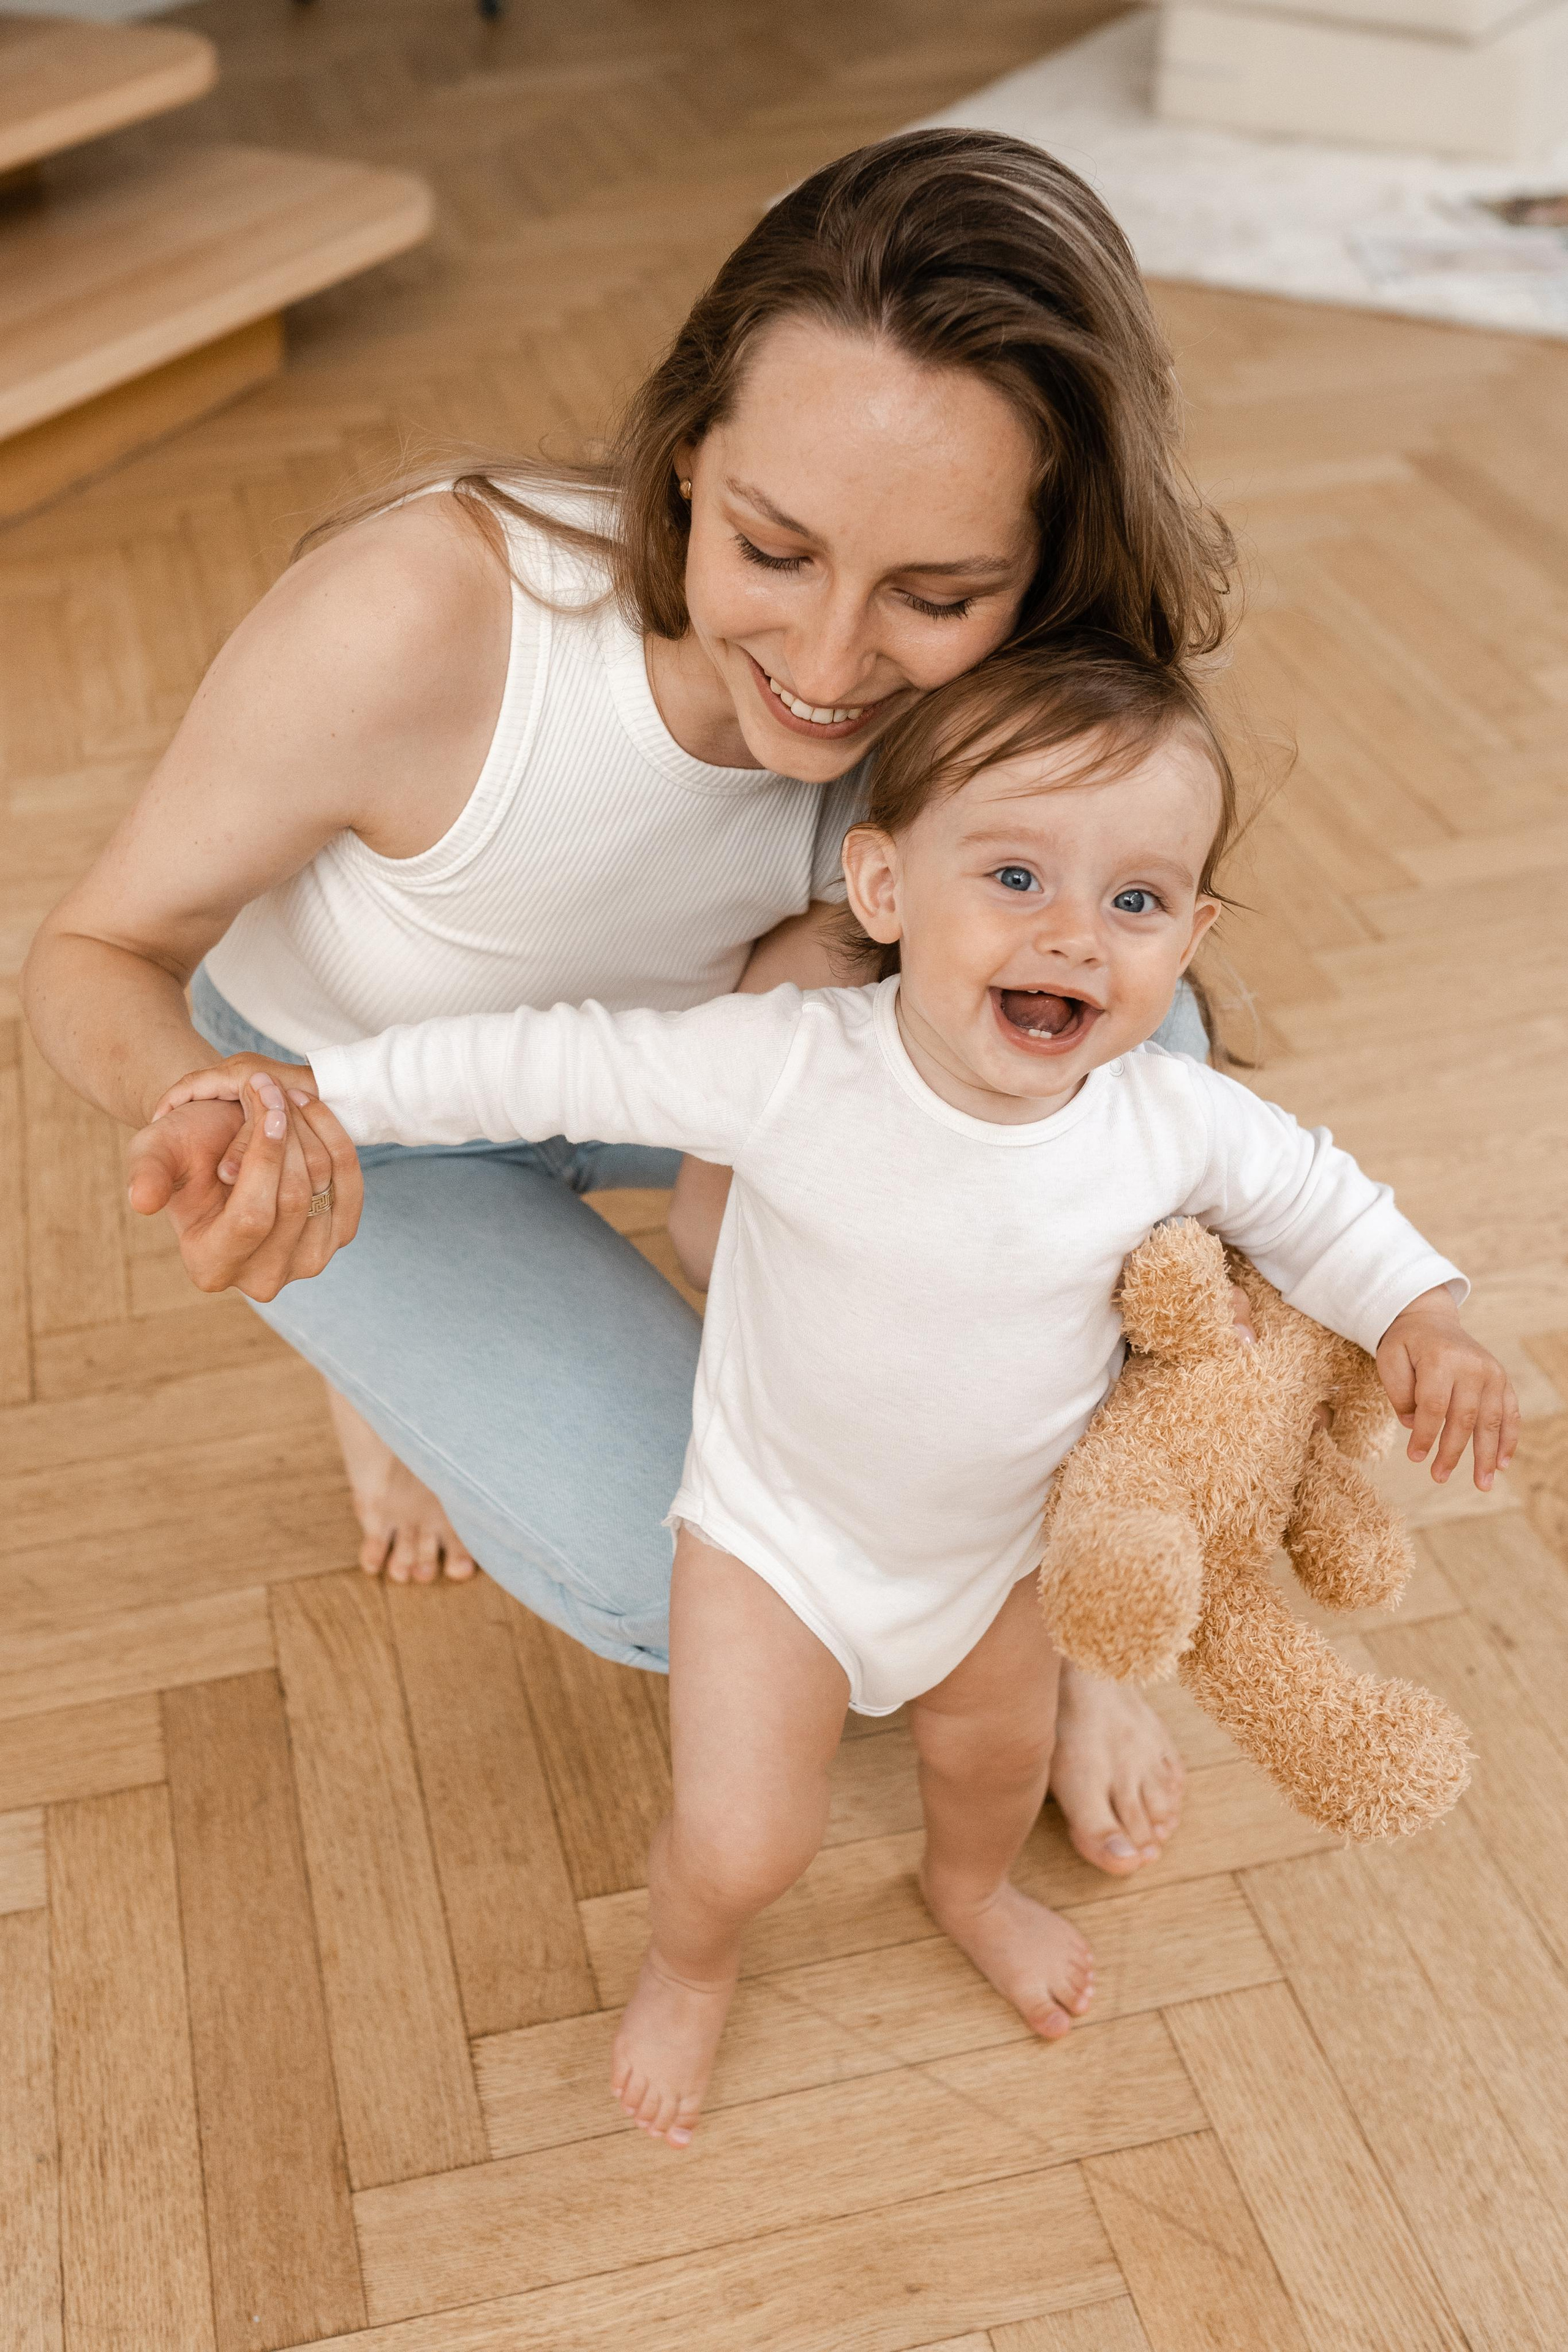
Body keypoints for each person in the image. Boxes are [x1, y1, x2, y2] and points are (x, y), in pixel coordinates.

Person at [24, 127, 1238, 1878]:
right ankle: (395, 1360)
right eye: (774, 549)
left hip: (696, 1056)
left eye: (937, 595)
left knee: (1154, 1080)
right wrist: (243, 1114)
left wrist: (815, 991)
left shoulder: (1009, 700)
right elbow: (90, 952)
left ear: (1041, 577)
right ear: (685, 467)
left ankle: (1051, 1618)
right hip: (381, 1108)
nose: (829, 672)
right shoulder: (425, 619)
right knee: (671, 1570)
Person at [151, 639, 1517, 2149]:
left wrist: (1424, 1315)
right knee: (740, 1840)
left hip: (996, 1558)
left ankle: (967, 1890)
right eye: (1012, 878)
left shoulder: (1167, 1123)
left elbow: (1321, 1205)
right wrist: (323, 1098)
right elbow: (550, 1065)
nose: (1074, 934)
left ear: (1185, 932)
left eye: (1131, 902)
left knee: (987, 1770)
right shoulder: (792, 1068)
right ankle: (690, 1963)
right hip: (773, 1545)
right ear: (882, 891)